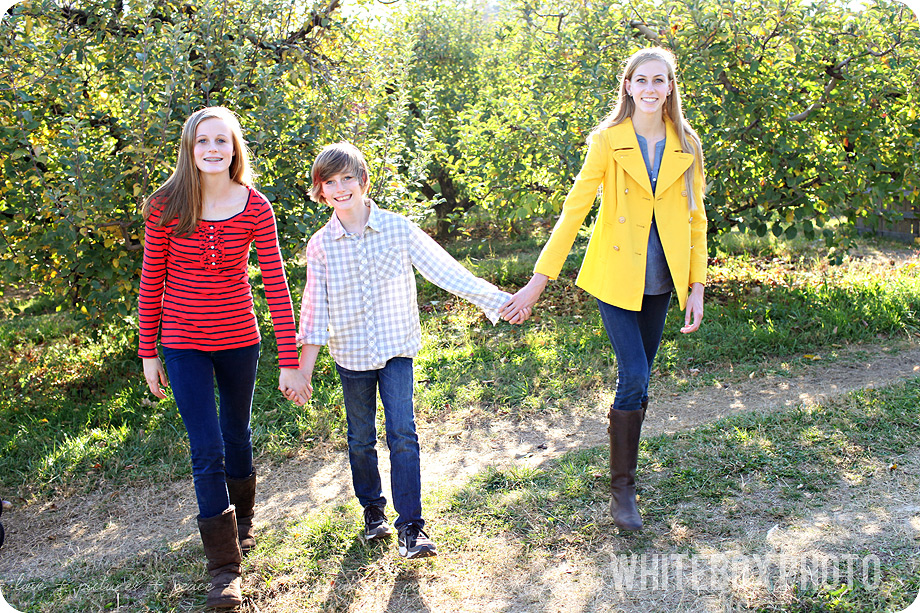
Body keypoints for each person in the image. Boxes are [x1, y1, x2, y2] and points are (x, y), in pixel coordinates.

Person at [500, 47, 708, 531]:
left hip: (663, 281)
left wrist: (696, 285)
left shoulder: (688, 144)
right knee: (633, 373)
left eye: (660, 80)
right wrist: (538, 281)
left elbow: (696, 220)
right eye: (642, 80)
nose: (651, 89)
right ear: (628, 86)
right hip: (615, 277)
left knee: (641, 379)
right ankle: (623, 493)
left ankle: (624, 473)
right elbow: (574, 210)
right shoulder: (608, 141)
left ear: (671, 87)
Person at [294, 142, 514, 559]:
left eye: (347, 178)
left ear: (363, 181)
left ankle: (412, 527)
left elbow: (444, 269)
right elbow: (314, 307)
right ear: (320, 190)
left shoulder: (398, 229)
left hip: (396, 350)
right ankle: (373, 511)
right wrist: (303, 369)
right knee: (360, 439)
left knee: (402, 433)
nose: (341, 188)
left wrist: (497, 300)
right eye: (330, 181)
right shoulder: (320, 245)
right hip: (351, 355)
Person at [138, 106, 310, 608]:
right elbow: (152, 284)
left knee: (237, 434)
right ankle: (224, 570)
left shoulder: (255, 206)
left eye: (223, 142)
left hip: (239, 338)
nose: (213, 150)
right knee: (206, 446)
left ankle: (245, 525)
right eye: (203, 142)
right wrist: (149, 352)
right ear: (189, 149)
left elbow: (276, 283)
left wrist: (289, 359)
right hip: (182, 342)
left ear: (235, 148)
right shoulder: (165, 206)